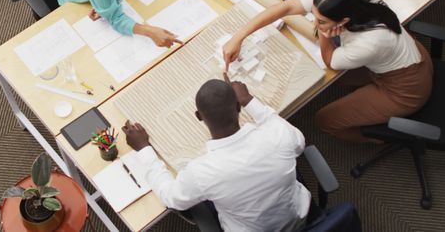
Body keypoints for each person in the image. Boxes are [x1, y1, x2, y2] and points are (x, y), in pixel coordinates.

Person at [223, 0, 433, 143]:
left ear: (343, 22)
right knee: (331, 81)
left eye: (321, 21)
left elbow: (331, 60)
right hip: (400, 58)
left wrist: (323, 33)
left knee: (325, 120)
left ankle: (380, 139)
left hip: (406, 89)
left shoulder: (370, 42)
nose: (314, 22)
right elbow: (286, 8)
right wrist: (238, 37)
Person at [123, 76, 310, 232]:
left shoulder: (201, 172)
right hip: (300, 218)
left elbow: (170, 197)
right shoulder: (278, 136)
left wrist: (144, 150)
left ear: (198, 116)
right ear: (238, 107)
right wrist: (249, 100)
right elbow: (298, 142)